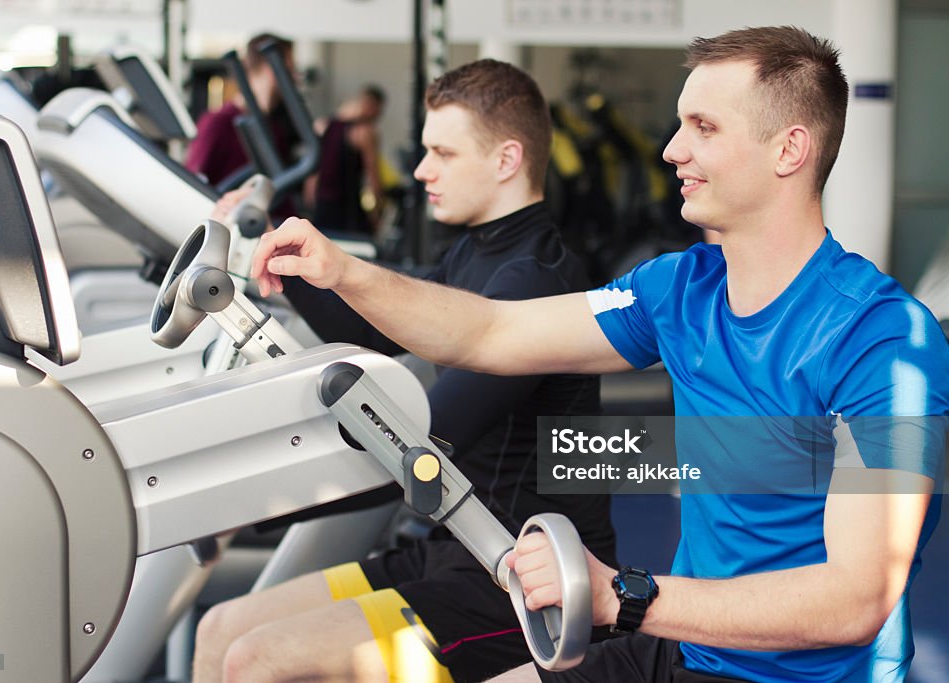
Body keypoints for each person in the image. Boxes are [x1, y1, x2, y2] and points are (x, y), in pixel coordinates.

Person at [249, 27, 949, 683]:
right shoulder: (680, 288)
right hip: (689, 642)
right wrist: (343, 272)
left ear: (788, 150)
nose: (673, 149)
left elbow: (855, 599)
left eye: (703, 127)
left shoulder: (885, 340)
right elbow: (490, 332)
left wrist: (625, 594)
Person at [196, 59, 617, 683]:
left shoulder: (535, 281)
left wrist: (246, 504)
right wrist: (285, 259)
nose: (421, 170)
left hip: (520, 580)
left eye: (442, 153)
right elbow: (374, 331)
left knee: (256, 660)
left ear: (506, 160)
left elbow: (422, 443)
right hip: (450, 548)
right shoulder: (477, 248)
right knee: (221, 629)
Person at [185, 33, 296, 189]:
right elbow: (193, 184)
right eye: (290, 69)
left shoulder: (273, 128)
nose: (295, 77)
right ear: (271, 68)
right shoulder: (218, 123)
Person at [307, 84, 386, 236]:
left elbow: (313, 170)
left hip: (322, 206)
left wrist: (310, 200)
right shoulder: (364, 132)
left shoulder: (322, 125)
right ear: (373, 106)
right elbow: (373, 177)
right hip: (347, 212)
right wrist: (377, 213)